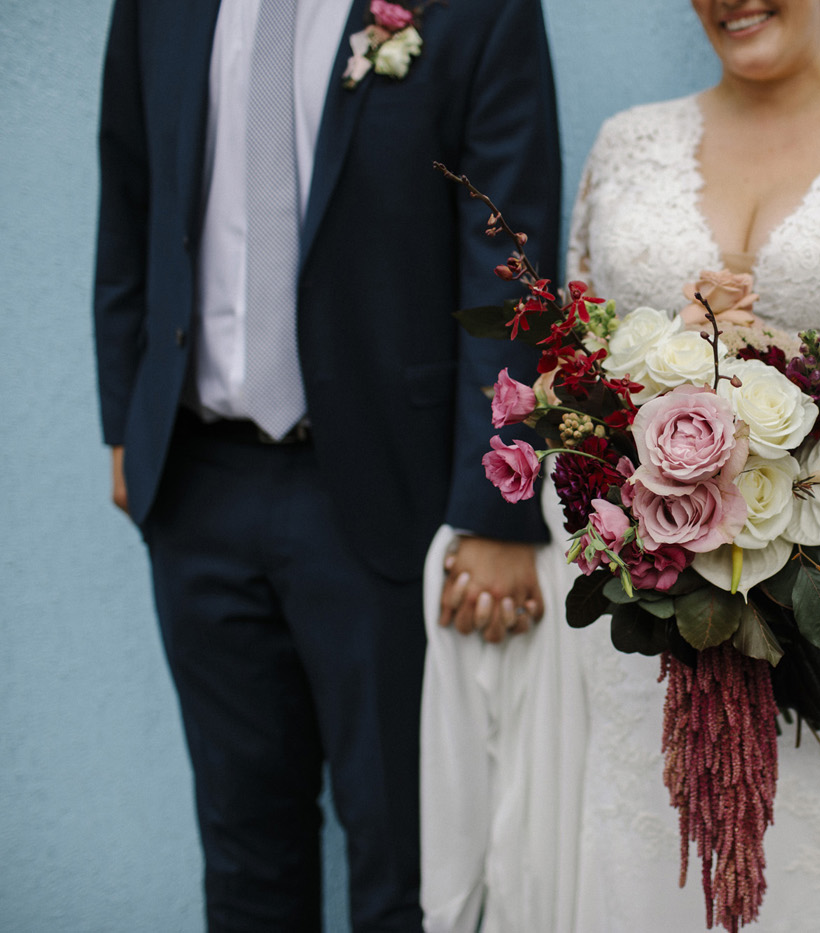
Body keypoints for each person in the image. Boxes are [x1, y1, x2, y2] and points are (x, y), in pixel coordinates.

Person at [421, 0, 820, 929]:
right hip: (657, 600)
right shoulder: (628, 145)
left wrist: (781, 399)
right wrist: (655, 418)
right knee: (658, 876)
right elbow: (581, 367)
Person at [92, 0, 559, 928]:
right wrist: (125, 421)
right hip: (196, 482)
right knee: (243, 855)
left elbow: (508, 247)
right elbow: (129, 190)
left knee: (404, 860)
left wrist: (497, 503)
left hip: (389, 490)